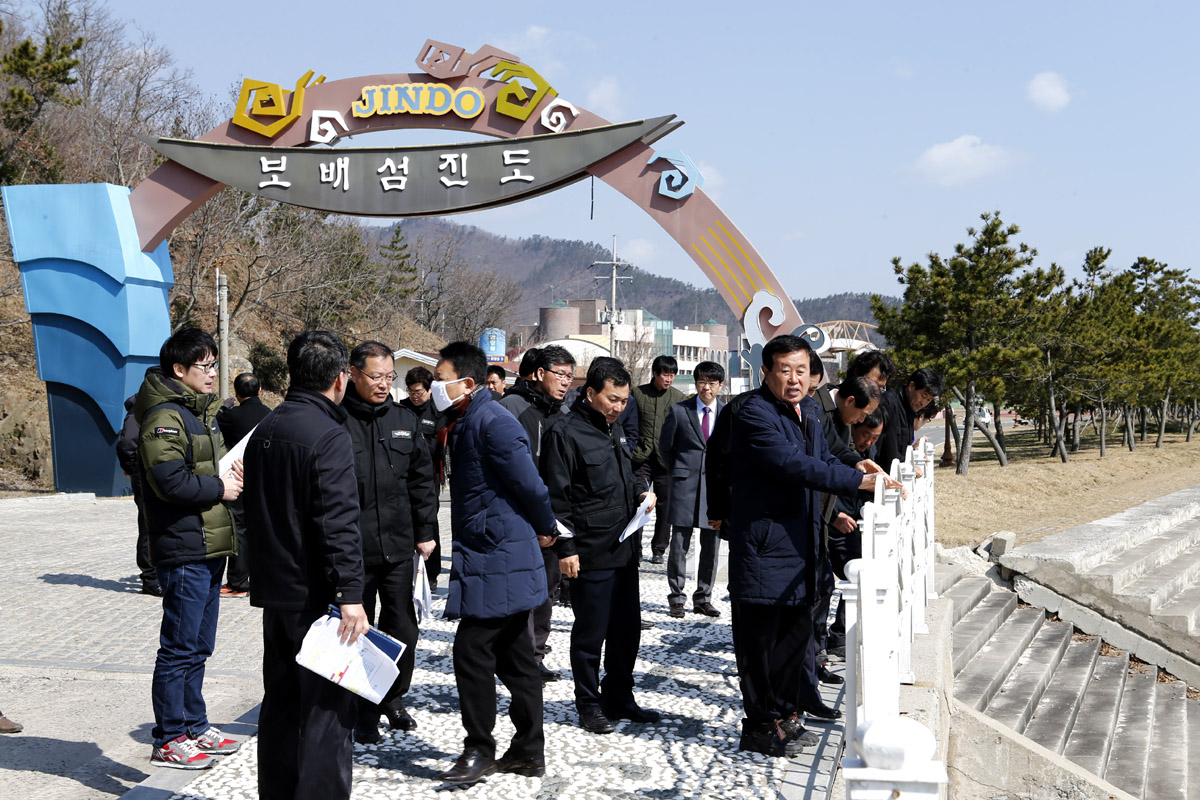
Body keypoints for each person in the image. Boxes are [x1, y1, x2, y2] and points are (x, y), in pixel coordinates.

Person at [726, 334, 898, 757]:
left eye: (801, 370)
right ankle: (760, 724)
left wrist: (856, 462)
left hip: (800, 546)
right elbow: (793, 465)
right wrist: (860, 481)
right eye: (784, 370)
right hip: (764, 549)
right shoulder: (753, 412)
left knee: (793, 638)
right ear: (765, 372)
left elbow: (824, 456)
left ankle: (785, 714)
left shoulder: (803, 414)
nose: (793, 379)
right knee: (760, 644)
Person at [243, 330, 369, 800]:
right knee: (327, 715)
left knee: (280, 705)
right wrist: (350, 596)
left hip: (276, 594)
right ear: (341, 378)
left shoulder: (267, 428)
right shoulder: (328, 435)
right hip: (317, 598)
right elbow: (337, 523)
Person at [434, 341, 554, 784]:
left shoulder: (493, 421)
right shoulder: (467, 417)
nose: (434, 387)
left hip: (500, 553)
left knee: (471, 651)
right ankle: (528, 750)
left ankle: (479, 748)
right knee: (517, 659)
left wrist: (547, 530)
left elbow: (532, 486)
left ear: (466, 382)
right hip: (491, 549)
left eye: (440, 378)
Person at [135, 328, 244, 770]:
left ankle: (195, 726)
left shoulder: (198, 413)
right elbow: (169, 481)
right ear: (179, 370)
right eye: (205, 366)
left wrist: (232, 476)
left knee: (200, 645)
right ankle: (169, 737)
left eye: (215, 364)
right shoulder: (163, 417)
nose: (213, 373)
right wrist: (221, 486)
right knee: (179, 647)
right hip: (184, 546)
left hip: (209, 543)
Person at [543, 358, 661, 734]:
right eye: (613, 399)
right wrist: (567, 549)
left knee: (627, 630)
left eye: (625, 400)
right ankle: (588, 703)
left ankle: (619, 695)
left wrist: (641, 492)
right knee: (591, 632)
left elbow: (625, 476)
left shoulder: (615, 429)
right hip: (590, 551)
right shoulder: (565, 433)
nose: (619, 407)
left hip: (624, 546)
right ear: (590, 393)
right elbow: (556, 499)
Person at [342, 342, 439, 744]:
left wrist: (425, 531)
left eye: (389, 377)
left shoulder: (403, 419)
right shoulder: (336, 419)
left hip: (399, 546)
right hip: (355, 549)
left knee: (403, 629)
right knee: (357, 633)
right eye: (375, 377)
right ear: (352, 373)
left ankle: (392, 698)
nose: (384, 385)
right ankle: (360, 710)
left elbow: (422, 479)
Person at [498, 344, 576, 683]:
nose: (564, 383)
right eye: (559, 375)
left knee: (546, 589)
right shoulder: (511, 409)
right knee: (519, 593)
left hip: (552, 518)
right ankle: (515, 656)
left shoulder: (561, 414)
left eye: (570, 377)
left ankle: (536, 655)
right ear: (540, 374)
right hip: (517, 517)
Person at [659, 360, 725, 619]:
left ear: (720, 385)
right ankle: (676, 597)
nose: (706, 387)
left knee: (711, 545)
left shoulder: (727, 413)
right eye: (701, 381)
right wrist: (679, 470)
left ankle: (704, 598)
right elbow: (665, 447)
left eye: (711, 382)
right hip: (684, 485)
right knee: (679, 544)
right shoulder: (679, 411)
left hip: (715, 488)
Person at [825, 411, 885, 660]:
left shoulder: (868, 455)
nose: (869, 442)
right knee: (843, 579)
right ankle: (835, 638)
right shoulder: (839, 450)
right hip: (833, 524)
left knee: (859, 576)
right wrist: (833, 516)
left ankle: (840, 635)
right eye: (865, 436)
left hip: (855, 523)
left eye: (875, 438)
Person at [214, 373, 272, 597]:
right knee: (262, 528)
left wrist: (224, 408)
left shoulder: (231, 416)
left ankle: (238, 582)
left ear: (237, 394)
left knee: (238, 530)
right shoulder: (270, 414)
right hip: (264, 480)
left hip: (236, 478)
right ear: (260, 391)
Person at [630, 355, 684, 563]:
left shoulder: (678, 398)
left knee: (665, 504)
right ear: (655, 373)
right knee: (640, 501)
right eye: (665, 374)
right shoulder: (637, 393)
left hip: (665, 460)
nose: (669, 379)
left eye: (672, 375)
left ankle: (659, 549)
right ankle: (635, 548)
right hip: (641, 457)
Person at [399, 365, 445, 589]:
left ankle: (432, 572)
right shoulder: (401, 409)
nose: (415, 397)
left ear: (429, 390)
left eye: (419, 392)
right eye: (411, 392)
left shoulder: (438, 412)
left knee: (429, 522)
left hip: (429, 477)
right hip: (403, 474)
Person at [117, 387, 161, 596]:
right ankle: (150, 578)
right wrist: (132, 468)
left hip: (162, 474)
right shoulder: (140, 408)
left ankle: (158, 573)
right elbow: (127, 444)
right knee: (148, 525)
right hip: (144, 474)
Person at [877, 367, 944, 473]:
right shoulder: (889, 404)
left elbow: (903, 449)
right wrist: (910, 467)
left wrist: (916, 458)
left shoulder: (909, 409)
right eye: (923, 396)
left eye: (929, 400)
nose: (924, 403)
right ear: (911, 386)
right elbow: (888, 453)